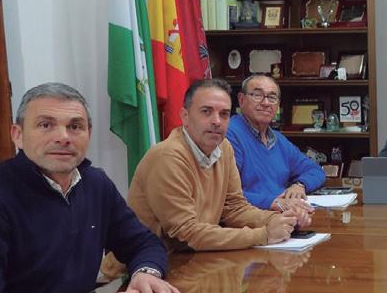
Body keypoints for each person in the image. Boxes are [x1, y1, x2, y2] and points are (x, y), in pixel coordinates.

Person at [0, 83, 183, 293]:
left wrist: (146, 272)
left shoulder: (95, 184)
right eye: (46, 125)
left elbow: (144, 243)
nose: (63, 137)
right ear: (17, 135)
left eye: (75, 126)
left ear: (89, 134)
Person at [126, 79, 307, 253]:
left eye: (224, 114)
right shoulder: (168, 157)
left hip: (195, 260)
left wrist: (281, 219)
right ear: (185, 117)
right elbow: (186, 234)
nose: (217, 121)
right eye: (206, 111)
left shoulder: (223, 147)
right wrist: (264, 234)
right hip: (151, 266)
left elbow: (235, 209)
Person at [227, 75, 326, 210]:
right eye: (257, 95)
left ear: (278, 105)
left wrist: (300, 185)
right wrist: (274, 203)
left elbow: (315, 170)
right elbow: (227, 194)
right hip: (250, 218)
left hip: (283, 214)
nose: (266, 103)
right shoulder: (229, 134)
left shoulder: (278, 140)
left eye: (272, 97)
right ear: (241, 100)